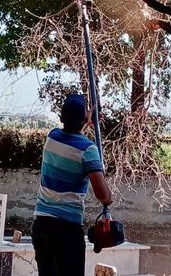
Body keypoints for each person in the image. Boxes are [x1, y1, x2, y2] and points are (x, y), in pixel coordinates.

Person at [32, 93, 112, 276]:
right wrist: (109, 197)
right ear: (85, 118)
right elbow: (102, 194)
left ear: (61, 118)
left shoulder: (52, 138)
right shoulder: (88, 150)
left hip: (41, 225)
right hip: (67, 229)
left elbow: (71, 137)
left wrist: (84, 122)